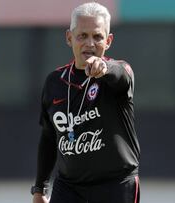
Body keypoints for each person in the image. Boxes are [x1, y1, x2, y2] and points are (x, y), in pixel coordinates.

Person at [32, 2, 140, 203]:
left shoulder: (119, 71)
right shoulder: (54, 81)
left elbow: (121, 75)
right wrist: (40, 188)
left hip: (115, 186)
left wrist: (104, 68)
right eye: (82, 36)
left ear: (108, 41)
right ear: (69, 37)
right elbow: (48, 137)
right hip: (69, 187)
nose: (90, 43)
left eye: (97, 36)